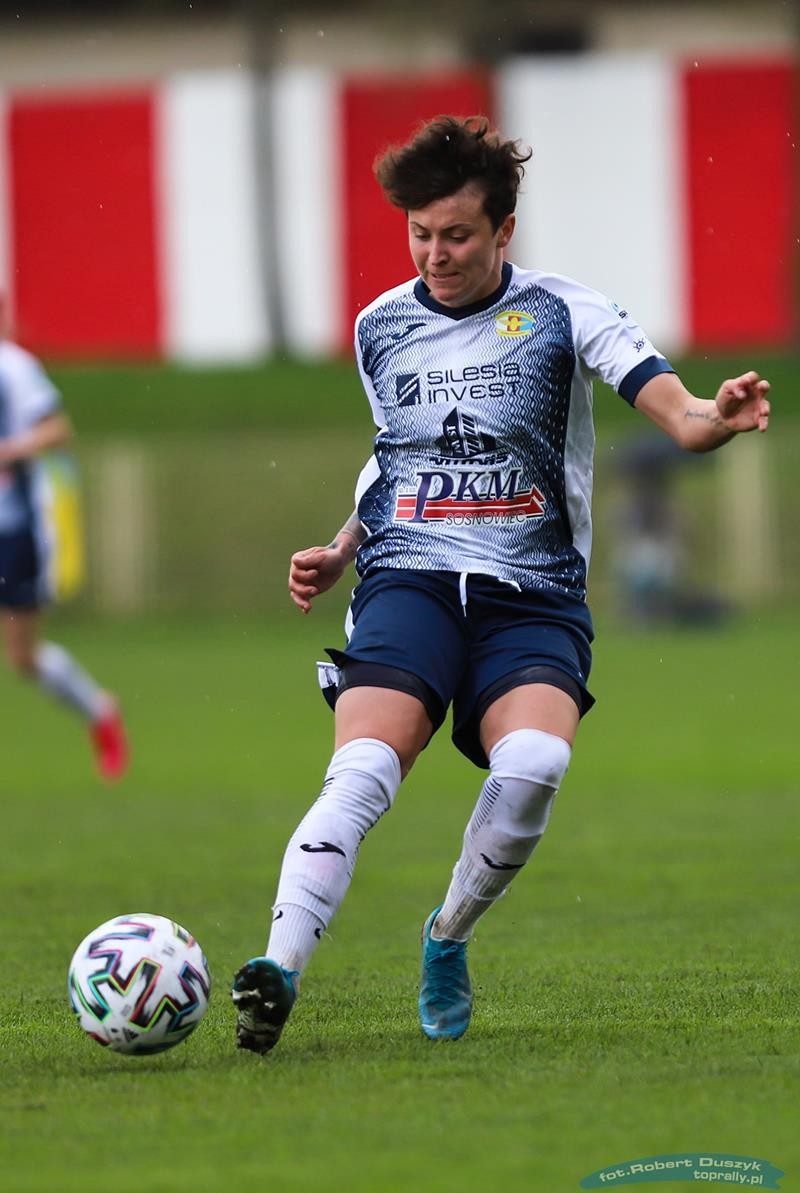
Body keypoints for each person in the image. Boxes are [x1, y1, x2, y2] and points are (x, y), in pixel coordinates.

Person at [231, 115, 770, 1052]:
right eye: (420, 234)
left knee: (535, 766)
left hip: (534, 591)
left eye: (457, 235)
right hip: (411, 578)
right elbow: (396, 457)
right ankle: (276, 971)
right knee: (363, 768)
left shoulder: (565, 312)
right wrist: (344, 545)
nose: (435, 255)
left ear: (503, 230)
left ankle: (447, 934)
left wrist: (715, 419)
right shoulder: (380, 327)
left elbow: (679, 414)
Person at [0, 295, 128, 780]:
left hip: (13, 529)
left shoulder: (13, 368)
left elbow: (56, 429)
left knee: (23, 656)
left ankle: (99, 711)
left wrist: (10, 450)